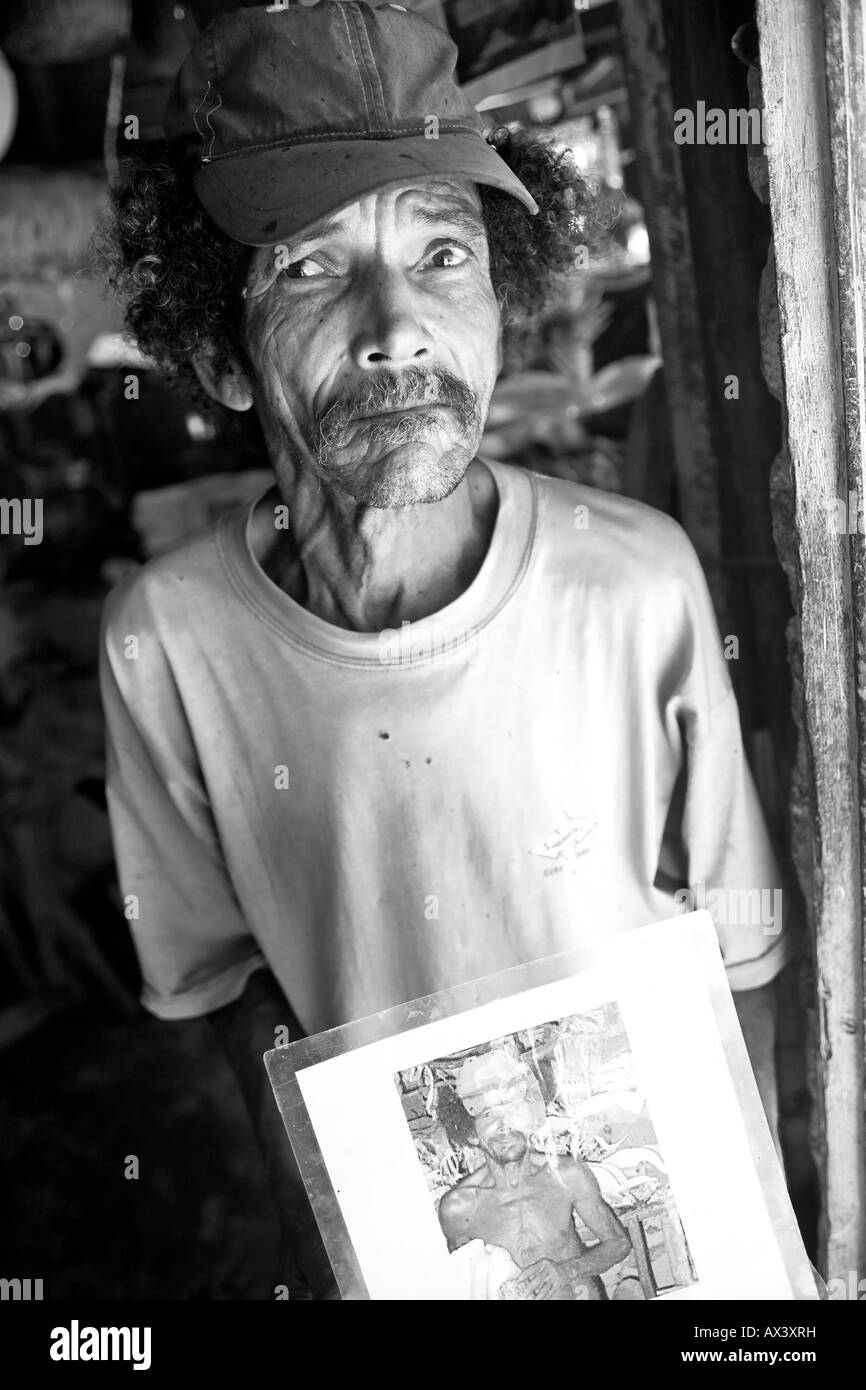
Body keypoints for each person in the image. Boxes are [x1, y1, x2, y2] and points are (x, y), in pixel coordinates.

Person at [98, 2, 790, 1299]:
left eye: (442, 252)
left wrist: (729, 1256)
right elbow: (207, 997)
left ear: (503, 290)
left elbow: (738, 955)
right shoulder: (168, 648)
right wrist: (357, 1217)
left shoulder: (635, 580)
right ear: (219, 352)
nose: (396, 326)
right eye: (308, 268)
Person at [439, 1051, 630, 1300]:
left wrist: (566, 1271)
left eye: (512, 1109)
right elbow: (467, 1289)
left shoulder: (567, 1175)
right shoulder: (458, 1209)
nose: (505, 1125)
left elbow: (619, 1244)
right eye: (488, 1115)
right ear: (471, 1132)